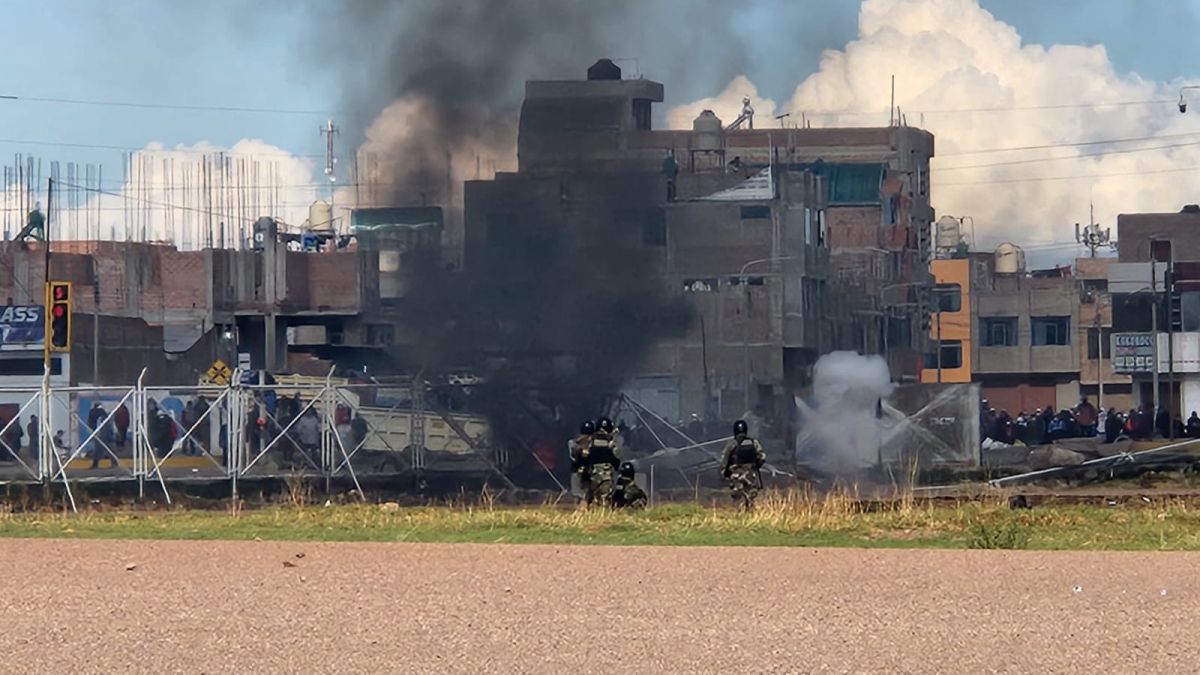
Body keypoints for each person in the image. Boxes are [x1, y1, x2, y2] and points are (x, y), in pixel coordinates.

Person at [719, 420, 765, 510]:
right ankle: (751, 516)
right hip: (751, 475)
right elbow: (762, 457)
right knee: (751, 498)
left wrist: (723, 474)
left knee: (738, 500)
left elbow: (724, 460)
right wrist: (755, 467)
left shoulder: (731, 444)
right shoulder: (753, 442)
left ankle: (740, 519)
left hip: (736, 476)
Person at [583, 417, 621, 506]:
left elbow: (584, 456)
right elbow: (617, 456)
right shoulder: (611, 442)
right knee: (605, 501)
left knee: (591, 498)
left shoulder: (590, 440)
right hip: (606, 475)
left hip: (592, 475)